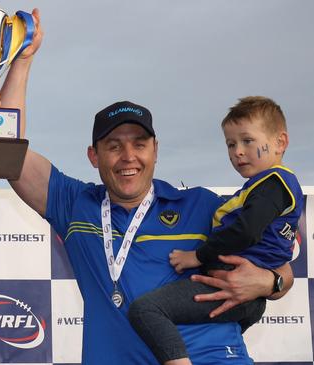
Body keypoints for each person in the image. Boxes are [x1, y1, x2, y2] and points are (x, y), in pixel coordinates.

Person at [0, 10, 294, 364]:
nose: (128, 157)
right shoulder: (75, 204)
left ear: (155, 150)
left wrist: (268, 283)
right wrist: (22, 60)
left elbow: (283, 267)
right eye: (113, 145)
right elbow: (6, 149)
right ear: (94, 156)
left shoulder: (199, 204)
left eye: (139, 143)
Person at [127, 96, 303, 365]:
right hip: (250, 302)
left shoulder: (273, 183)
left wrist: (197, 257)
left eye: (247, 141)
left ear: (280, 143)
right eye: (231, 144)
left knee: (146, 309)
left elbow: (246, 232)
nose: (238, 151)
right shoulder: (261, 187)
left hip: (236, 287)